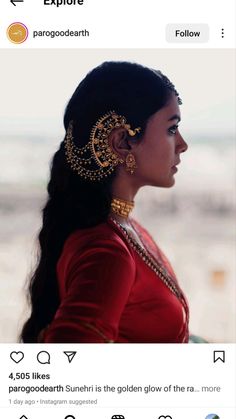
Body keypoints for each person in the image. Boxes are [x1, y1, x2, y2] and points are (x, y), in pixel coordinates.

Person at [21, 61, 189, 343]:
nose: (182, 144)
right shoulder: (107, 252)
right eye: (172, 129)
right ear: (122, 142)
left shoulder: (126, 229)